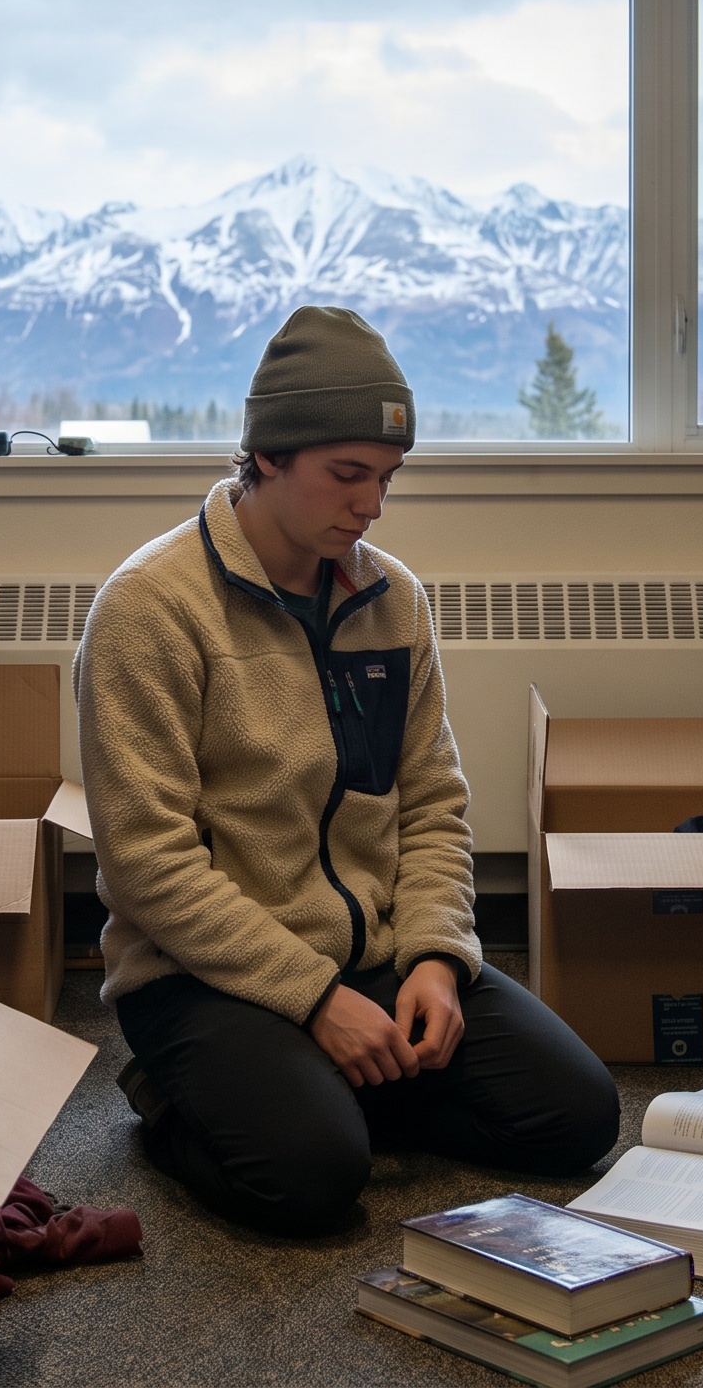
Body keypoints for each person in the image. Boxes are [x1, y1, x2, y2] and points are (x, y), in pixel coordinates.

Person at [76, 306, 619, 1236]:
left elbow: (434, 805)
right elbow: (147, 865)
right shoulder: (148, 610)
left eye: (387, 479)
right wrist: (312, 999)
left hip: (373, 957)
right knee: (315, 1178)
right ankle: (187, 1099)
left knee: (581, 1115)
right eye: (348, 476)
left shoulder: (393, 600)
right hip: (204, 978)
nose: (371, 505)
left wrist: (439, 961)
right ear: (268, 457)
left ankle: (333, 1089)